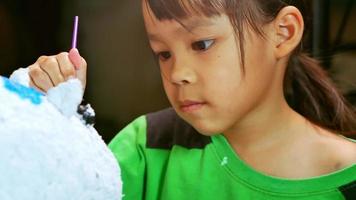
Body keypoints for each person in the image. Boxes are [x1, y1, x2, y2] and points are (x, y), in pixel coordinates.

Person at [28, 0, 356, 199]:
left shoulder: (348, 178)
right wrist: (56, 121)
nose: (177, 73)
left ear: (283, 32)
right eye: (163, 53)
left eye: (201, 44)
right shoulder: (146, 147)